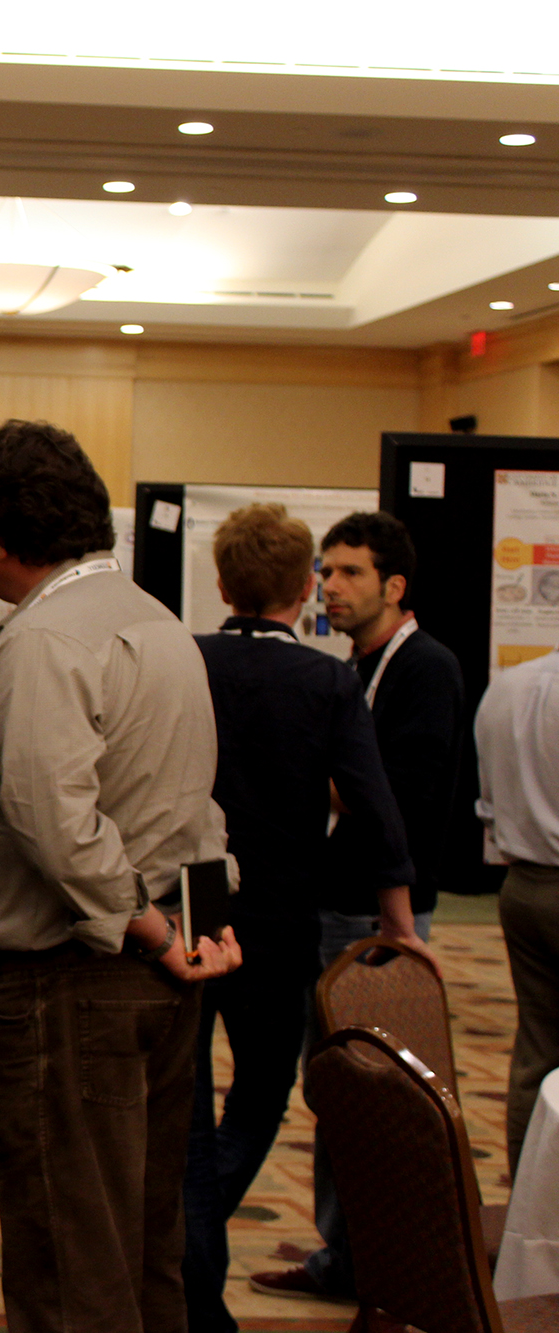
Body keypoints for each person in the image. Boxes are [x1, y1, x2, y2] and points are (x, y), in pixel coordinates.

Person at [0, 419, 240, 1333]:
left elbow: (55, 823)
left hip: (68, 983)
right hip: (157, 976)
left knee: (69, 1258)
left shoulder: (44, 641)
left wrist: (149, 926)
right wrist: (191, 928)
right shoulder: (160, 623)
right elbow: (199, 809)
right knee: (142, 1244)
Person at [181, 504, 419, 1333]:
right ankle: (190, 1243)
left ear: (221, 584)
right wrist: (400, 921)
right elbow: (374, 806)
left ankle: (184, 1243)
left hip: (195, 893)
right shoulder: (326, 681)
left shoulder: (185, 659)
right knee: (263, 1091)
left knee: (186, 1099)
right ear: (304, 588)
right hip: (282, 905)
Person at [252, 510, 465, 1303]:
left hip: (377, 912)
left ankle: (371, 1262)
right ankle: (347, 1257)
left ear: (394, 585)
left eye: (349, 572)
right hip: (338, 902)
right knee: (340, 1090)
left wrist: (318, 772)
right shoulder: (357, 663)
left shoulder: (424, 667)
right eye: (326, 571)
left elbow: (396, 797)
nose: (330, 586)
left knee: (375, 1096)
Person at [473, 648, 559, 1174]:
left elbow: (486, 804)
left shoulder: (507, 687)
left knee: (537, 1055)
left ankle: (530, 1201)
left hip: (522, 887)